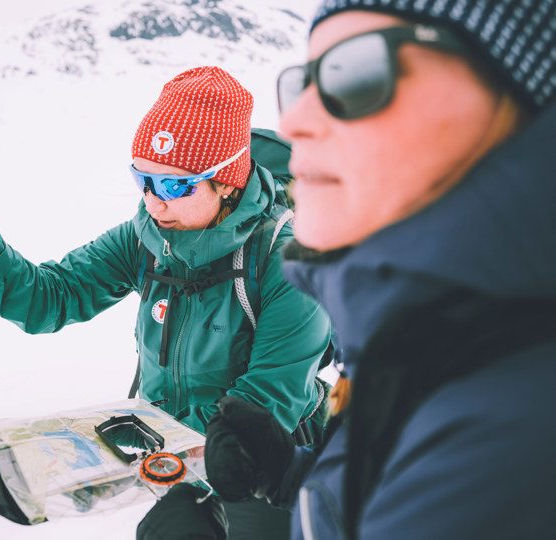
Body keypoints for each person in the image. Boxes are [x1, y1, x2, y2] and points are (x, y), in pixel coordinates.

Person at [137, 1, 556, 539]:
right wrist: (293, 475)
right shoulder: (426, 343)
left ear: (522, 100)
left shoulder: (520, 429)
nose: (298, 121)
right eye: (305, 82)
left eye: (358, 73)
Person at [0, 66, 332, 539]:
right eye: (143, 178)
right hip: (175, 460)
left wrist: (192, 473)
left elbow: (269, 400)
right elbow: (50, 298)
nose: (153, 201)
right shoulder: (147, 238)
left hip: (270, 470)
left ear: (227, 182)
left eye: (174, 184)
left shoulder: (290, 261)